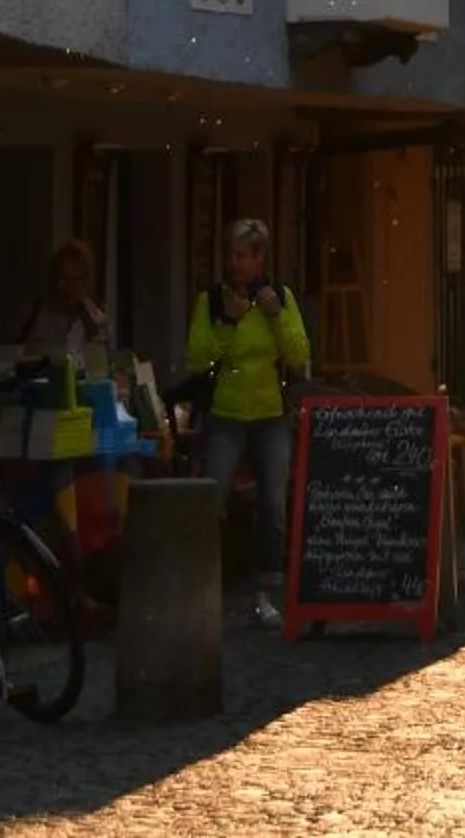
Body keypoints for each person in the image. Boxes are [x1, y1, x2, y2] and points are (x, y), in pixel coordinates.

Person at [186, 217, 311, 628]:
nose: (234, 263)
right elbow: (196, 358)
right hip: (226, 413)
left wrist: (276, 316)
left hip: (270, 414)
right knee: (212, 502)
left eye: (242, 255)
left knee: (273, 505)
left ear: (259, 257)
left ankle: (266, 594)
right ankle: (204, 592)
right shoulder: (213, 300)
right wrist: (228, 324)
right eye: (231, 255)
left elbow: (298, 355)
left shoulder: (280, 296)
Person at [18, 238, 109, 363]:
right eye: (63, 278)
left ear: (87, 281)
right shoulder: (36, 313)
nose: (69, 287)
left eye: (76, 279)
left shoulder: (95, 316)